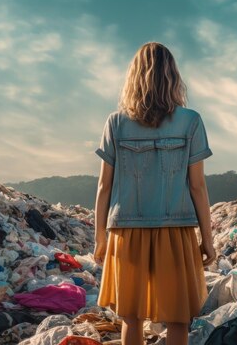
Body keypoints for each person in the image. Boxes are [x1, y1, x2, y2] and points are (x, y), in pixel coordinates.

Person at [92, 42, 216, 345]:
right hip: (176, 229)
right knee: (177, 319)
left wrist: (100, 237)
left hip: (126, 229)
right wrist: (207, 239)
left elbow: (104, 186)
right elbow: (198, 186)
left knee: (131, 318)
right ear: (172, 76)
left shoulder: (116, 122)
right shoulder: (191, 120)